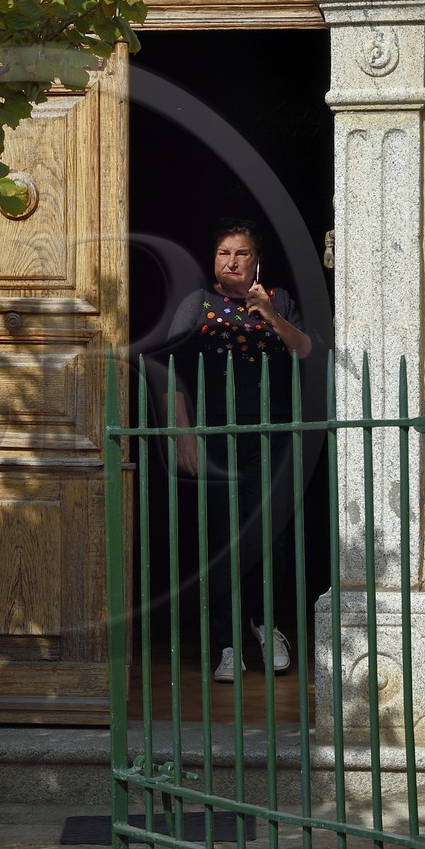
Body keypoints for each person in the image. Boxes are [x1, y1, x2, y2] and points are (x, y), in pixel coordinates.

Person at [161, 218, 311, 682]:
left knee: (273, 534)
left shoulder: (279, 300)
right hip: (215, 438)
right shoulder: (197, 305)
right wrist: (182, 434)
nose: (232, 261)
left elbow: (304, 349)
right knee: (222, 538)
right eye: (224, 253)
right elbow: (170, 371)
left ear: (256, 258)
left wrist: (269, 313)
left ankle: (267, 627)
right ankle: (228, 644)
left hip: (271, 434)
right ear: (214, 260)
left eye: (241, 253)